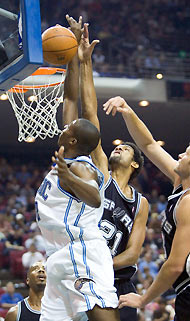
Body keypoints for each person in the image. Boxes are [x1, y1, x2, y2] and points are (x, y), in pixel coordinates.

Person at [63, 16, 149, 321]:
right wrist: (84, 62)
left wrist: (99, 262)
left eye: (126, 148)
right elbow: (89, 113)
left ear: (136, 164)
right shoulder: (100, 170)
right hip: (89, 277)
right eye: (117, 145)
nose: (118, 147)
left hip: (119, 282)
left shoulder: (141, 204)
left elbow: (133, 253)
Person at [35, 15, 119, 321]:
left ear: (72, 138)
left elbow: (95, 198)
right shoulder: (70, 152)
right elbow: (71, 96)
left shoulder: (84, 165)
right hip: (59, 255)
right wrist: (75, 58)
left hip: (81, 250)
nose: (65, 123)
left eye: (70, 127)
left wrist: (68, 175)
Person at [102, 96, 190, 321]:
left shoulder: (189, 203)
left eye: (187, 153)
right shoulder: (180, 182)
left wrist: (142, 299)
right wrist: (127, 111)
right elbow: (148, 144)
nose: (180, 154)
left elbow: (175, 266)